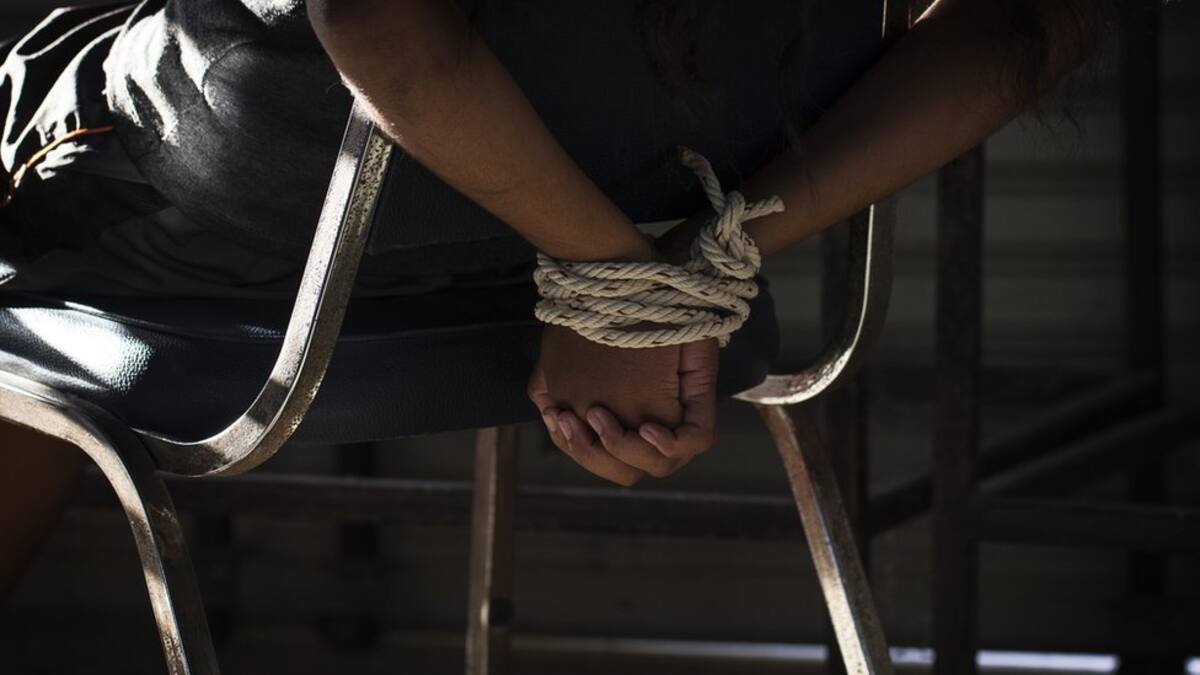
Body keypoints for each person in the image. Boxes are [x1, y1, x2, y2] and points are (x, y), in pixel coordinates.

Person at [0, 0, 1102, 597]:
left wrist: (619, 286)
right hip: (630, 222)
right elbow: (1028, 24)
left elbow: (375, 23)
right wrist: (673, 270)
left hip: (289, 213)